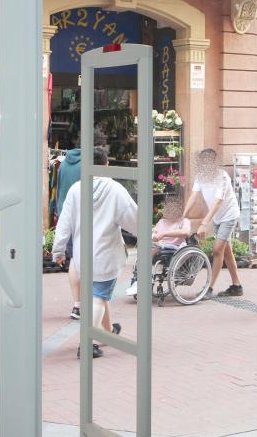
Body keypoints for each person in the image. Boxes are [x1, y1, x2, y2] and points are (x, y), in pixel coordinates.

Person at [53, 147, 136, 358]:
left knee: (98, 293)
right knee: (99, 296)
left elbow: (64, 222)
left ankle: (107, 332)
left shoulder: (76, 189)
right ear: (106, 164)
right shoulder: (115, 189)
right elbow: (132, 218)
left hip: (83, 254)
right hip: (106, 254)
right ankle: (87, 342)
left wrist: (58, 250)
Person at [55, 127, 108, 321]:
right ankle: (91, 302)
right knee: (89, 260)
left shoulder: (64, 163)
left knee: (74, 260)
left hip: (65, 213)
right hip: (84, 216)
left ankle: (77, 304)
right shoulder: (88, 164)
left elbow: (59, 189)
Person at [184, 148, 243, 299]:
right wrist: (183, 216)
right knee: (226, 251)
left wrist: (204, 223)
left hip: (229, 215)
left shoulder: (222, 177)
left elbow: (218, 202)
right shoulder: (200, 176)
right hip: (217, 218)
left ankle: (208, 289)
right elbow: (193, 197)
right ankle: (237, 286)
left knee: (217, 250)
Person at [125, 195, 192, 298]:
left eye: (172, 208)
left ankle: (143, 281)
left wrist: (164, 234)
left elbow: (186, 232)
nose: (169, 210)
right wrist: (152, 233)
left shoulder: (184, 221)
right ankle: (139, 280)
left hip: (175, 247)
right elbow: (155, 232)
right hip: (161, 245)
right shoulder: (162, 222)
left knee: (151, 250)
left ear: (178, 209)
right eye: (167, 208)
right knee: (143, 251)